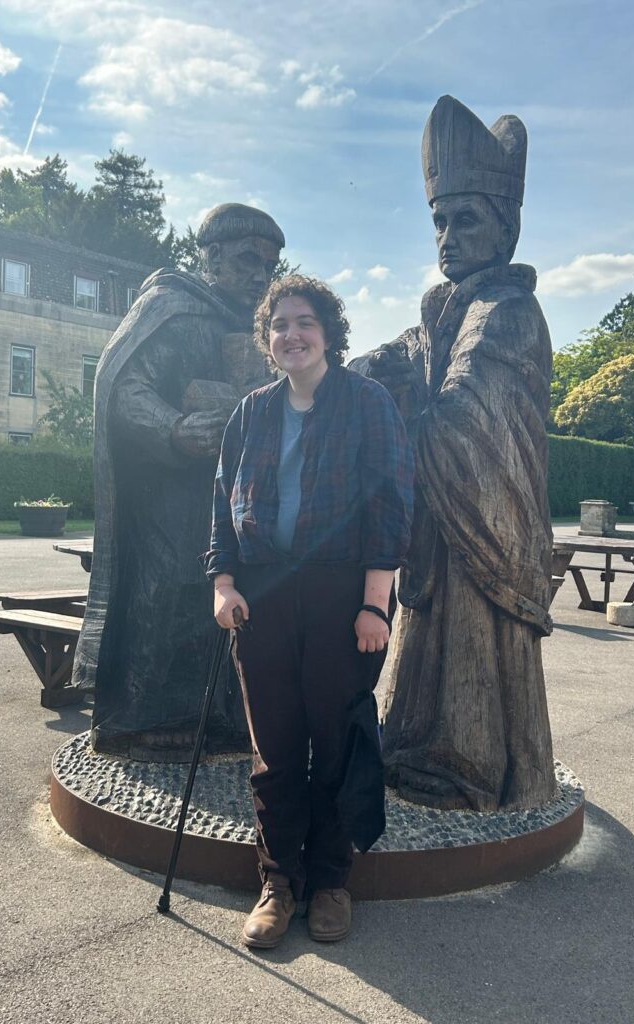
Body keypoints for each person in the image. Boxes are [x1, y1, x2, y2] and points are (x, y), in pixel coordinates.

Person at [352, 95, 556, 812]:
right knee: (428, 643)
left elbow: (471, 414)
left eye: (464, 220)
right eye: (439, 221)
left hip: (483, 522)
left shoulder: (507, 312)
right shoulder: (444, 311)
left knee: (470, 643)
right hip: (443, 521)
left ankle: (471, 765)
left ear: (505, 228)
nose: (446, 237)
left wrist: (402, 412)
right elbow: (390, 362)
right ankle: (417, 745)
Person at [204, 275, 413, 949]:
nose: (291, 335)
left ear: (328, 333)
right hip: (262, 597)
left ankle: (329, 882)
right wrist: (223, 583)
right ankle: (278, 883)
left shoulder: (367, 403)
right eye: (279, 325)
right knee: (275, 751)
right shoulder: (251, 413)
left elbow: (389, 504)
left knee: (337, 745)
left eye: (305, 322)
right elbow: (222, 505)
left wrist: (374, 603)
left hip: (342, 596)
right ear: (267, 339)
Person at [72, 203, 284, 762]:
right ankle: (148, 722)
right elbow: (125, 390)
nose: (260, 276)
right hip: (170, 500)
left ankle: (226, 719)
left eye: (269, 266)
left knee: (234, 608)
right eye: (248, 260)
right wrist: (174, 429)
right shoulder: (172, 309)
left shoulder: (265, 328)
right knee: (167, 597)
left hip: (236, 502)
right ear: (211, 257)